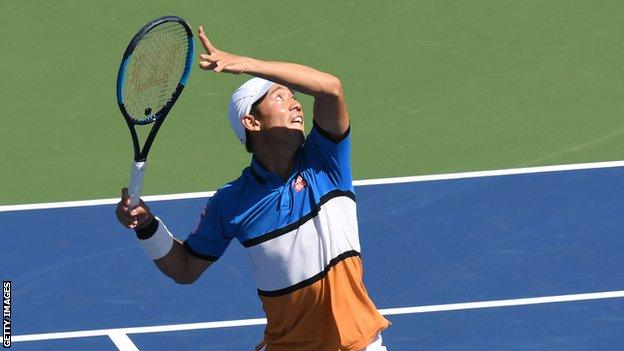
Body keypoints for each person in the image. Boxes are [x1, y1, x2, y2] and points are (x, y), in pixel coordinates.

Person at [116, 25, 390, 351]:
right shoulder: (232, 202)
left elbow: (330, 88)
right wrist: (146, 226)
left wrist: (245, 63)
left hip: (359, 344)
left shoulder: (326, 163)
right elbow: (185, 268)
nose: (296, 105)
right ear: (252, 122)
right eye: (279, 97)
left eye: (294, 97)